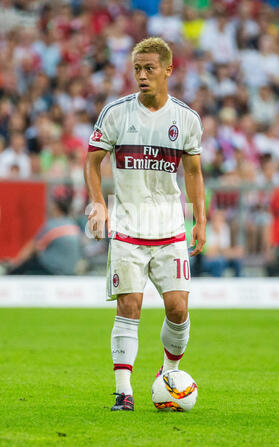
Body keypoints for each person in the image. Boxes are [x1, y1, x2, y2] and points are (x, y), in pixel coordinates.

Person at [84, 37, 206, 411]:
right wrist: (99, 204)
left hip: (169, 228)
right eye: (137, 69)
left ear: (168, 69)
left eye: (149, 68)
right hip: (128, 228)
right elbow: (91, 162)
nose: (142, 75)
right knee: (130, 307)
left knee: (178, 310)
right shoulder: (116, 113)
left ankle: (168, 374)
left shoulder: (186, 119)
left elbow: (194, 171)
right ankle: (124, 392)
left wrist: (200, 219)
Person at [8, 185, 83, 275]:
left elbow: (31, 248)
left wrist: (14, 264)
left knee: (22, 268)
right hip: (69, 271)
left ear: (56, 206)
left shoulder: (52, 226)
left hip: (51, 270)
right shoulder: (74, 226)